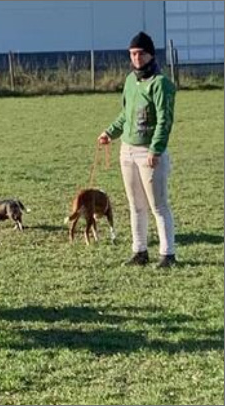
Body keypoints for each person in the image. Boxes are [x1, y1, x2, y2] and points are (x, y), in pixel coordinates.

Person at [97, 32, 177, 268]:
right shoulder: (131, 81)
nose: (136, 58)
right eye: (132, 54)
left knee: (158, 205)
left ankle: (168, 254)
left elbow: (164, 120)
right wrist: (110, 132)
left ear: (150, 54)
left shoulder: (161, 84)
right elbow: (126, 114)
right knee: (135, 205)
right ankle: (139, 251)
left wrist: (156, 149)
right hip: (128, 150)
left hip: (148, 152)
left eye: (141, 53)